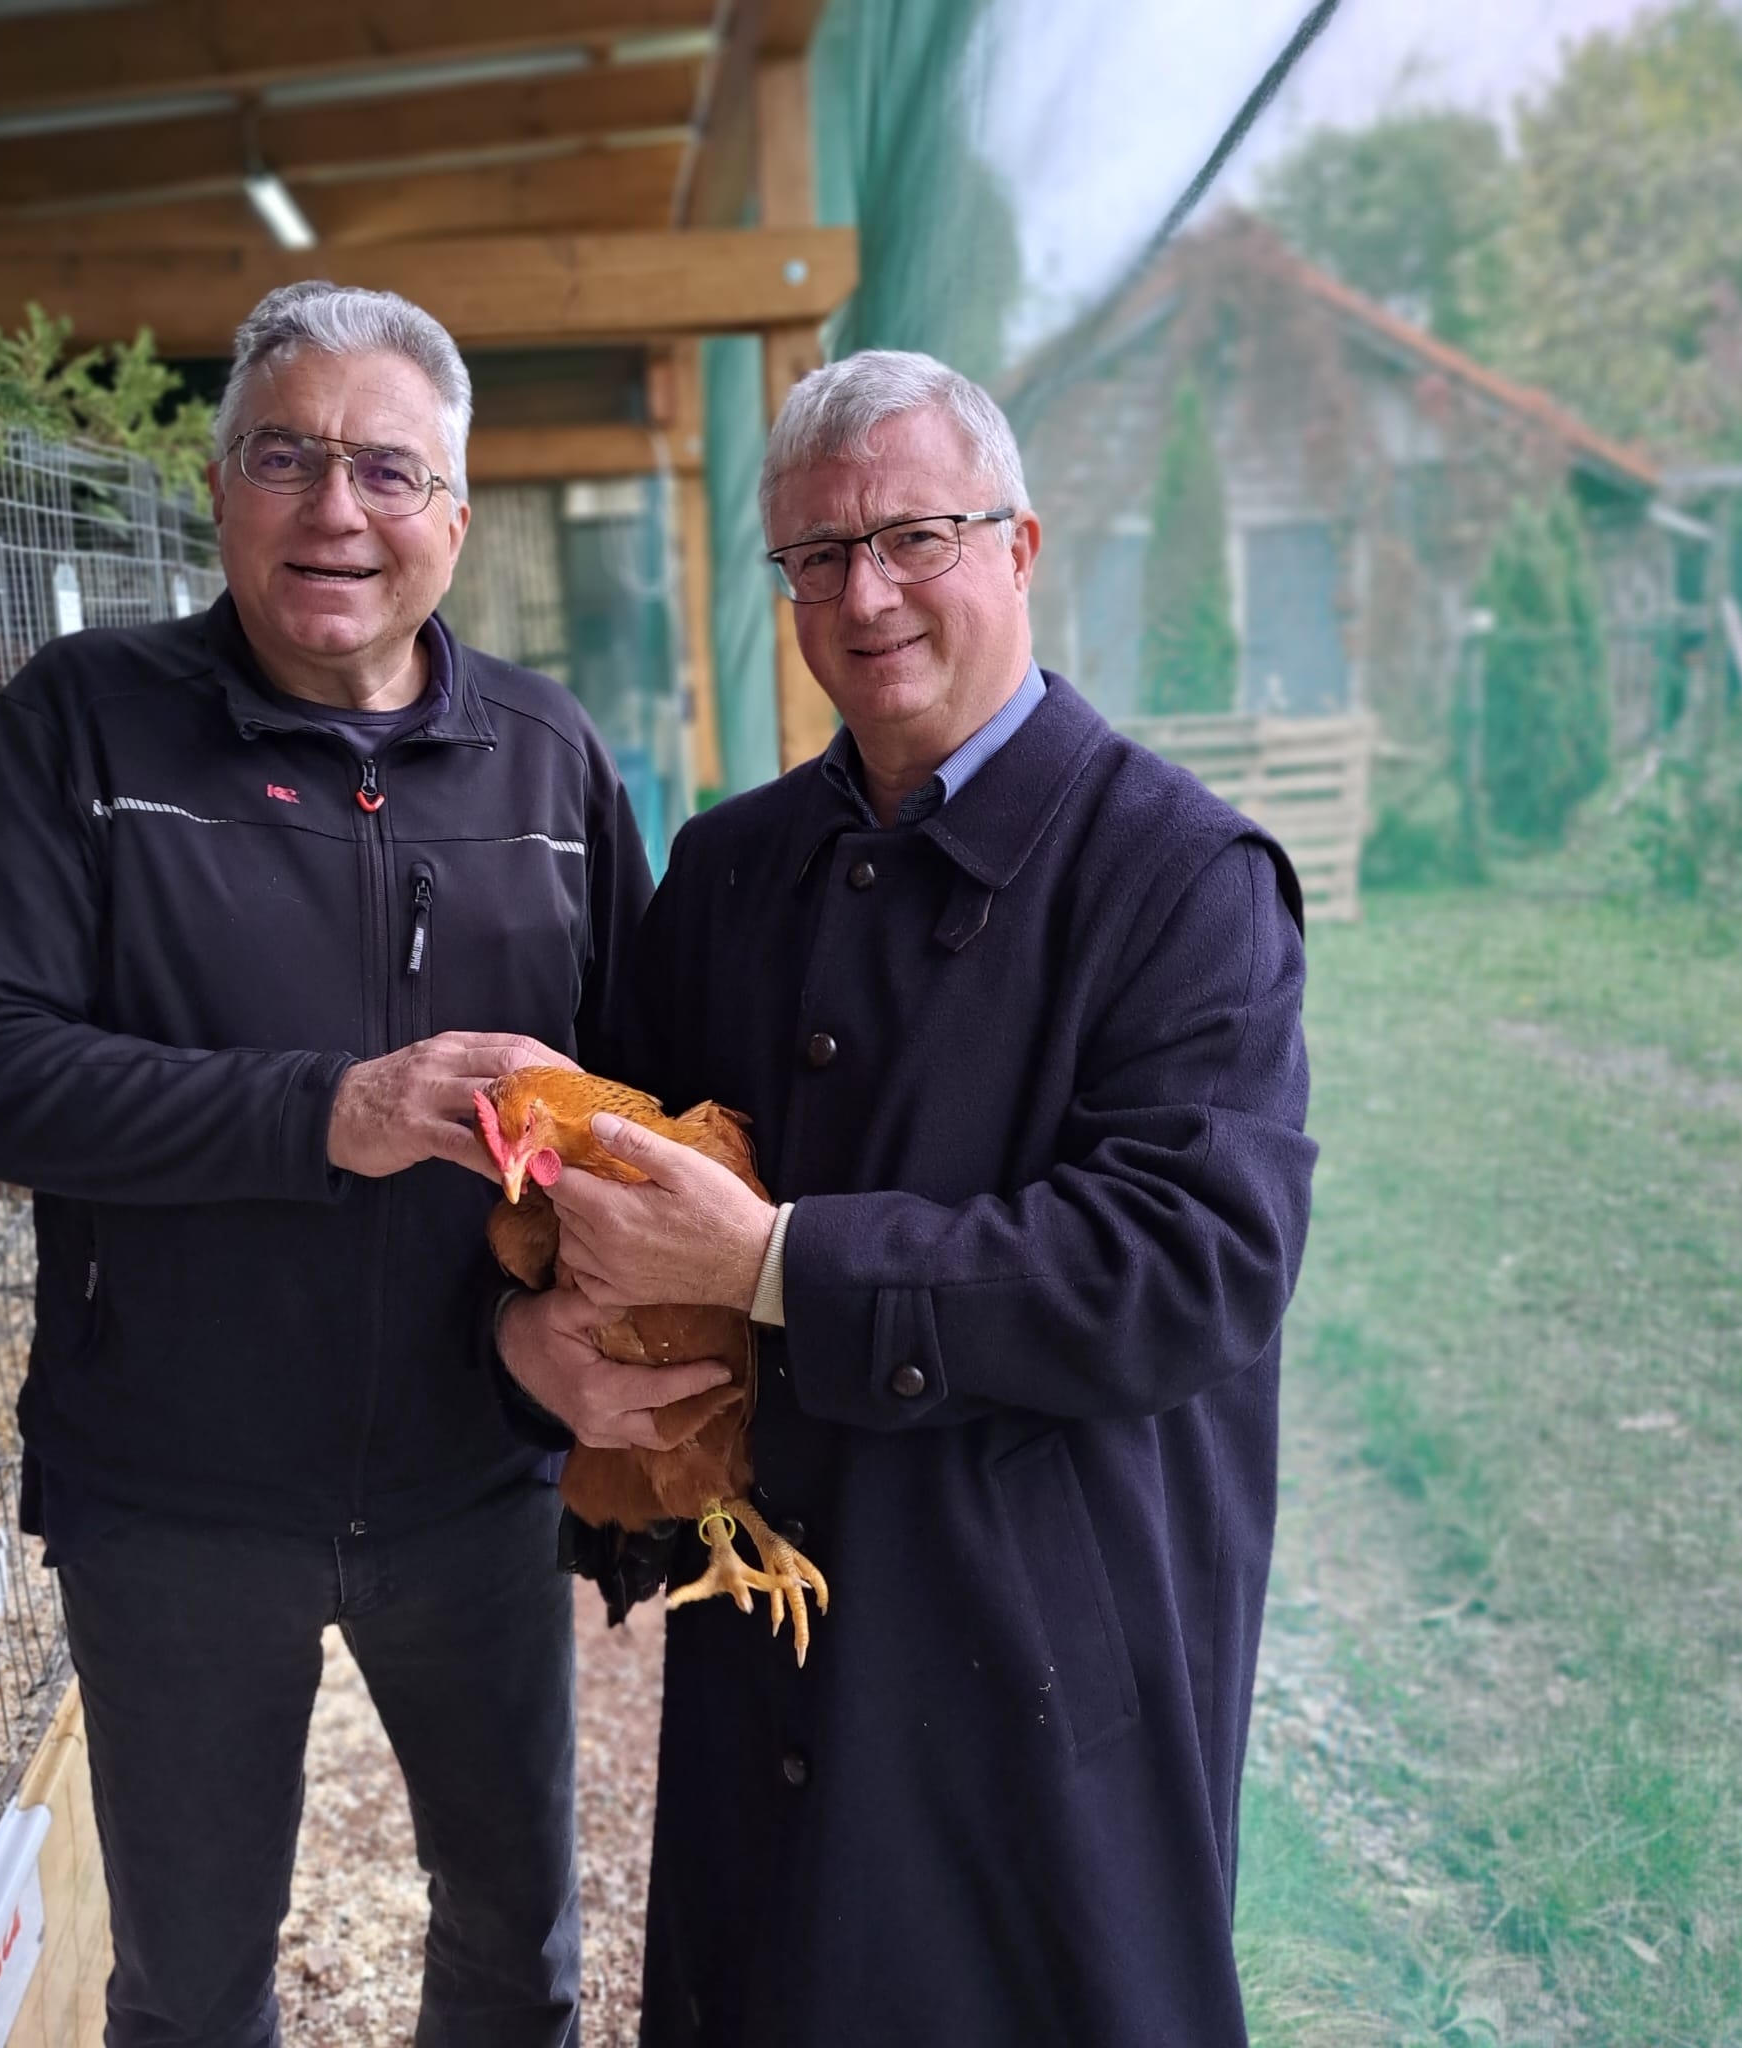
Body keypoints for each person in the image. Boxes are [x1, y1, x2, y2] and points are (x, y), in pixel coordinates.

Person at [496, 349, 1317, 2046]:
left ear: (1020, 546)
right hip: (771, 1644)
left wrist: (780, 1263)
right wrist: (538, 1333)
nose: (865, 595)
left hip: (1038, 1666)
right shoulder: (727, 871)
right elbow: (598, 1188)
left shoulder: (1180, 877)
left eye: (914, 537)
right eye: (817, 555)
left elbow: (1193, 1264)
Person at [0, 281, 656, 2048]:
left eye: (388, 470)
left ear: (455, 513)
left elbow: (640, 1101)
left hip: (476, 1474)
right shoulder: (87, 727)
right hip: (177, 1489)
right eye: (285, 457)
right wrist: (326, 1111)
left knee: (519, 1951)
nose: (336, 510)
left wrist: (599, 1352)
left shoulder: (548, 761)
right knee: (191, 1990)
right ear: (220, 489)